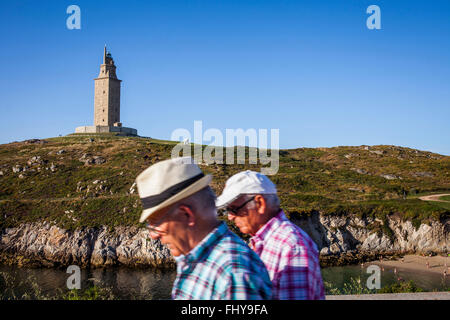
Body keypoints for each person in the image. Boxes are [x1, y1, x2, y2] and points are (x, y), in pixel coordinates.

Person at [135, 157, 272, 300]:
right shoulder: (195, 258)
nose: (153, 235)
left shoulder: (233, 276)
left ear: (186, 215)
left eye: (156, 223)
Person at [216, 170, 325, 300]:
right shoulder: (263, 241)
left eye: (234, 209)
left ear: (260, 203)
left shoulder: (292, 247)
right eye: (227, 210)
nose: (230, 217)